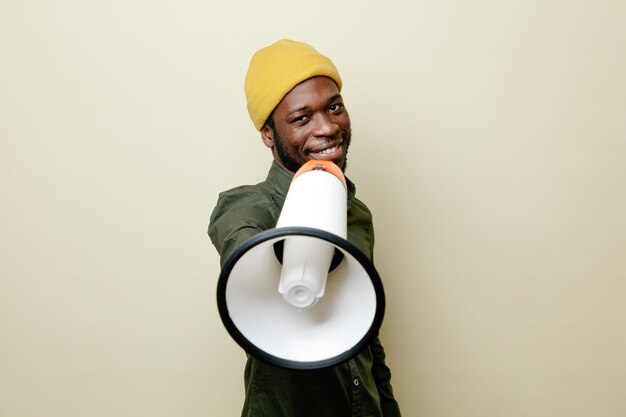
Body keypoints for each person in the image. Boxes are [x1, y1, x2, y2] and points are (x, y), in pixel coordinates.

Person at [208, 39, 402, 417]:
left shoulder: (357, 213)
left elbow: (368, 341)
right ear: (268, 134)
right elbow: (238, 240)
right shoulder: (245, 206)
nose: (328, 128)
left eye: (334, 107)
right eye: (301, 118)